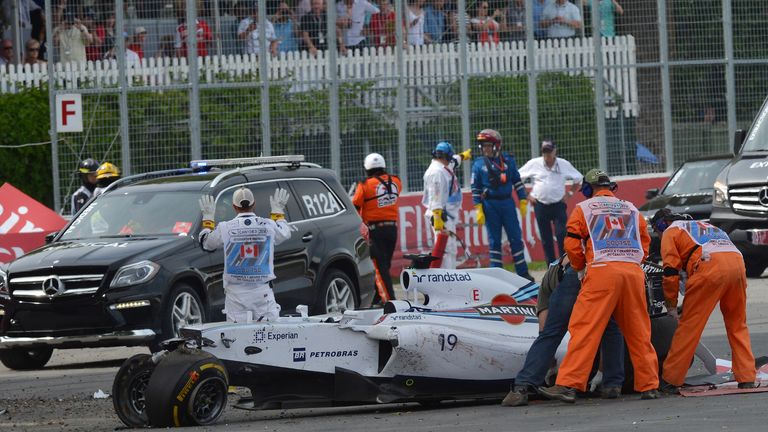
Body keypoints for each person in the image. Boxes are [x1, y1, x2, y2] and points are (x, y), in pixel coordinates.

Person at [539, 169, 659, 403]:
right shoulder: (631, 208)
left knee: (585, 329)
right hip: (633, 274)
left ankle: (568, 384)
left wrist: (581, 266)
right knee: (639, 332)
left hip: (602, 272)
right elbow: (645, 243)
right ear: (611, 187)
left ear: (586, 189)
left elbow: (572, 243)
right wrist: (632, 262)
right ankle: (649, 385)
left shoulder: (584, 209)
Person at [650, 209, 756, 393]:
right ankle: (746, 376)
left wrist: (671, 305)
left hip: (710, 267)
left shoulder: (670, 231)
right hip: (737, 266)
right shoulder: (705, 225)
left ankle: (671, 379)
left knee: (688, 328)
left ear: (661, 225)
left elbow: (670, 272)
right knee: (737, 324)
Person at [502, 254, 625, 406]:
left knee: (552, 332)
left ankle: (522, 387)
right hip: (607, 270)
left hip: (576, 272)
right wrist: (602, 371)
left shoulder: (545, 289)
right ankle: (612, 385)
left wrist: (550, 364)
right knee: (610, 326)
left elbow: (545, 332)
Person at [198, 187, 291, 322]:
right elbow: (285, 233)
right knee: (268, 337)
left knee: (236, 338)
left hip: (236, 296)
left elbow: (207, 243)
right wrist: (277, 213)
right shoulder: (267, 225)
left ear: (234, 207)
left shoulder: (225, 227)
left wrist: (208, 220)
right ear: (254, 205)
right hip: (263, 294)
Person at [470, 129, 532, 280]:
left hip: (507, 203)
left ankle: (522, 273)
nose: (485, 149)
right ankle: (496, 275)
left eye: (488, 145)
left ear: (496, 146)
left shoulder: (508, 161)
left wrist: (522, 199)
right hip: (490, 206)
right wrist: (478, 207)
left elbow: (516, 181)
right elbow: (475, 188)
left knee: (516, 238)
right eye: (483, 146)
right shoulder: (478, 165)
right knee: (494, 241)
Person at [518, 140, 583, 265]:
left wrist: (569, 194)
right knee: (546, 238)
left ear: (555, 151)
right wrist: (527, 195)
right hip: (540, 205)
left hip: (558, 205)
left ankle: (564, 266)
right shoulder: (534, 163)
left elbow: (578, 179)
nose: (547, 155)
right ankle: (551, 268)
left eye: (549, 151)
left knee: (562, 235)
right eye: (545, 152)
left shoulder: (563, 164)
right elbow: (517, 177)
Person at [352, 153, 402, 303]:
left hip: (374, 231)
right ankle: (376, 298)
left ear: (367, 168)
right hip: (392, 230)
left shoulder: (364, 185)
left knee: (379, 267)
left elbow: (355, 205)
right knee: (385, 265)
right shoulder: (396, 181)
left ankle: (389, 300)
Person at [422, 141, 472, 269]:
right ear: (445, 156)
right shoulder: (436, 172)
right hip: (440, 216)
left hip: (446, 215)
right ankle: (447, 279)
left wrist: (463, 156)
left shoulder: (444, 165)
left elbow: (454, 161)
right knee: (446, 249)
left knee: (450, 249)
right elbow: (435, 195)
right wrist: (438, 219)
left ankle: (449, 276)